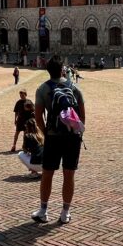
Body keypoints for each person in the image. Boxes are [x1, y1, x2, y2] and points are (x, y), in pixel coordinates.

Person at [32, 56, 85, 225]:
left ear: (48, 71)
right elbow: (82, 115)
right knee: (69, 175)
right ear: (63, 70)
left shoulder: (42, 89)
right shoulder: (74, 87)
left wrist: (46, 133)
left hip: (53, 137)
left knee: (47, 174)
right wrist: (77, 131)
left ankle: (43, 211)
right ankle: (65, 212)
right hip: (72, 137)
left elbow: (38, 116)